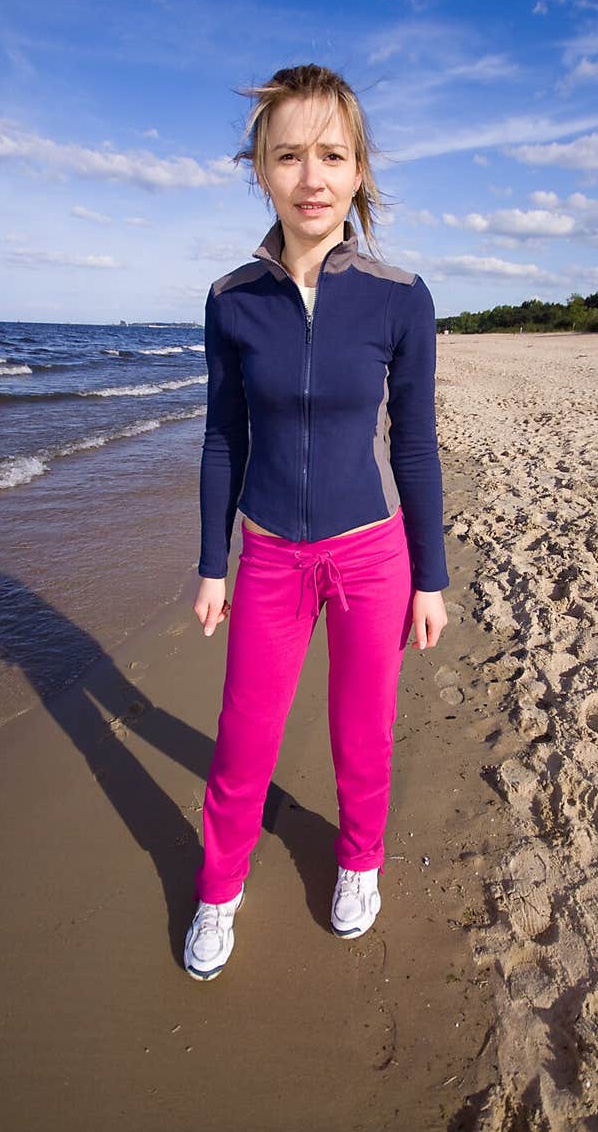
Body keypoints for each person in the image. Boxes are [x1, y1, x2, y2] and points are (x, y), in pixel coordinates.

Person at [186, 63, 449, 980]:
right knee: (244, 734)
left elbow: (414, 446)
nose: (311, 176)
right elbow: (224, 437)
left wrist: (431, 577)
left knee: (362, 728)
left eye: (330, 155)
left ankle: (358, 861)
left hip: (371, 556)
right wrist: (212, 563)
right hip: (266, 557)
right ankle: (219, 888)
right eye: (289, 154)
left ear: (359, 170)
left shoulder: (398, 295)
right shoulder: (231, 300)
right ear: (260, 167)